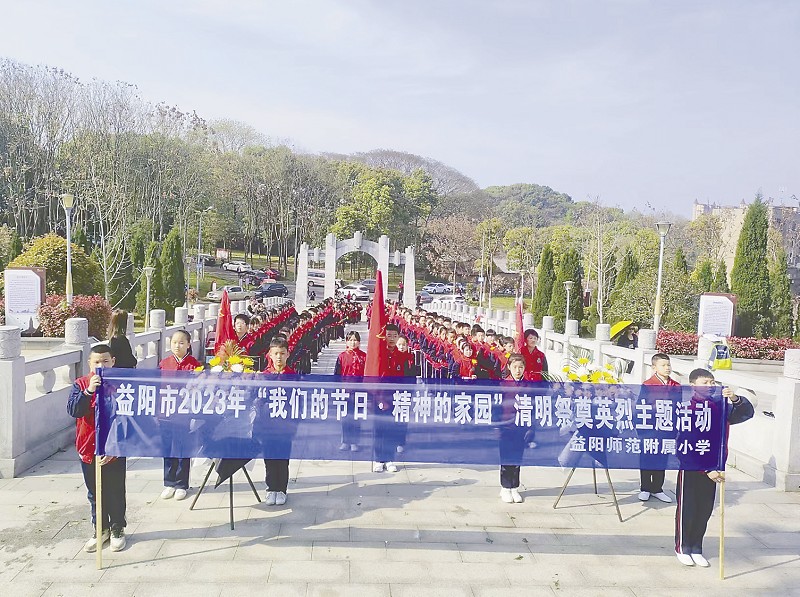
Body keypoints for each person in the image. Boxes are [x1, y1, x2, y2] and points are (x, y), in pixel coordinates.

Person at [674, 368, 753, 568]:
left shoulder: (719, 406)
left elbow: (746, 413)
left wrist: (735, 399)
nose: (710, 386)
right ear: (693, 385)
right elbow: (684, 445)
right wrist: (706, 470)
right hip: (692, 468)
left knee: (704, 509)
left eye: (712, 382)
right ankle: (683, 547)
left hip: (715, 468)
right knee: (688, 509)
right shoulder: (687, 409)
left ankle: (696, 547)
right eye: (705, 382)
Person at [67, 344, 128, 552]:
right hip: (88, 448)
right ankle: (100, 529)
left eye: (105, 361)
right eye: (96, 362)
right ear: (89, 364)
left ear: (113, 362)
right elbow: (74, 410)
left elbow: (127, 420)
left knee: (115, 490)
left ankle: (117, 527)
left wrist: (114, 447)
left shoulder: (121, 386)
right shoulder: (81, 384)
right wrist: (88, 391)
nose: (101, 365)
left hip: (114, 449)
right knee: (94, 493)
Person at [158, 330, 202, 501]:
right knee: (168, 448)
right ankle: (169, 482)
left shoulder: (194, 365)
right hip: (166, 413)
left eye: (182, 342)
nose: (177, 346)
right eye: (174, 342)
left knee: (183, 448)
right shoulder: (164, 364)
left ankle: (182, 484)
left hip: (185, 414)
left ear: (189, 344)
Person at [639, 353, 679, 504]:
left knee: (662, 458)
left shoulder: (676, 386)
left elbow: (678, 408)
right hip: (650, 428)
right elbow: (640, 406)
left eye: (668, 365)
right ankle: (645, 488)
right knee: (647, 457)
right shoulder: (648, 385)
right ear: (654, 367)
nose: (667, 368)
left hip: (667, 428)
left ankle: (657, 488)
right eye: (663, 365)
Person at [261, 336, 296, 506]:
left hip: (285, 426)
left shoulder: (293, 376)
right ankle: (271, 489)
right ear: (270, 354)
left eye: (282, 353)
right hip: (268, 426)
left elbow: (297, 403)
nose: (279, 357)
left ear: (288, 354)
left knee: (282, 458)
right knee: (269, 458)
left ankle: (281, 489)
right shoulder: (264, 376)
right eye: (275, 353)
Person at [498, 354, 528, 503]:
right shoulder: (503, 385)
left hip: (521, 427)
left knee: (517, 458)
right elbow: (496, 408)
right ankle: (505, 487)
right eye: (515, 367)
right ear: (509, 367)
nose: (518, 370)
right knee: (506, 458)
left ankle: (514, 487)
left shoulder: (528, 386)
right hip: (506, 427)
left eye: (521, 367)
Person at [334, 330, 367, 451]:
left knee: (356, 417)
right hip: (345, 392)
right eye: (350, 340)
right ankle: (345, 441)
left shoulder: (364, 357)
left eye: (355, 340)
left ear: (359, 342)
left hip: (359, 392)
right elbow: (337, 375)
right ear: (346, 341)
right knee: (345, 417)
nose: (353, 342)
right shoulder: (341, 356)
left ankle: (355, 442)